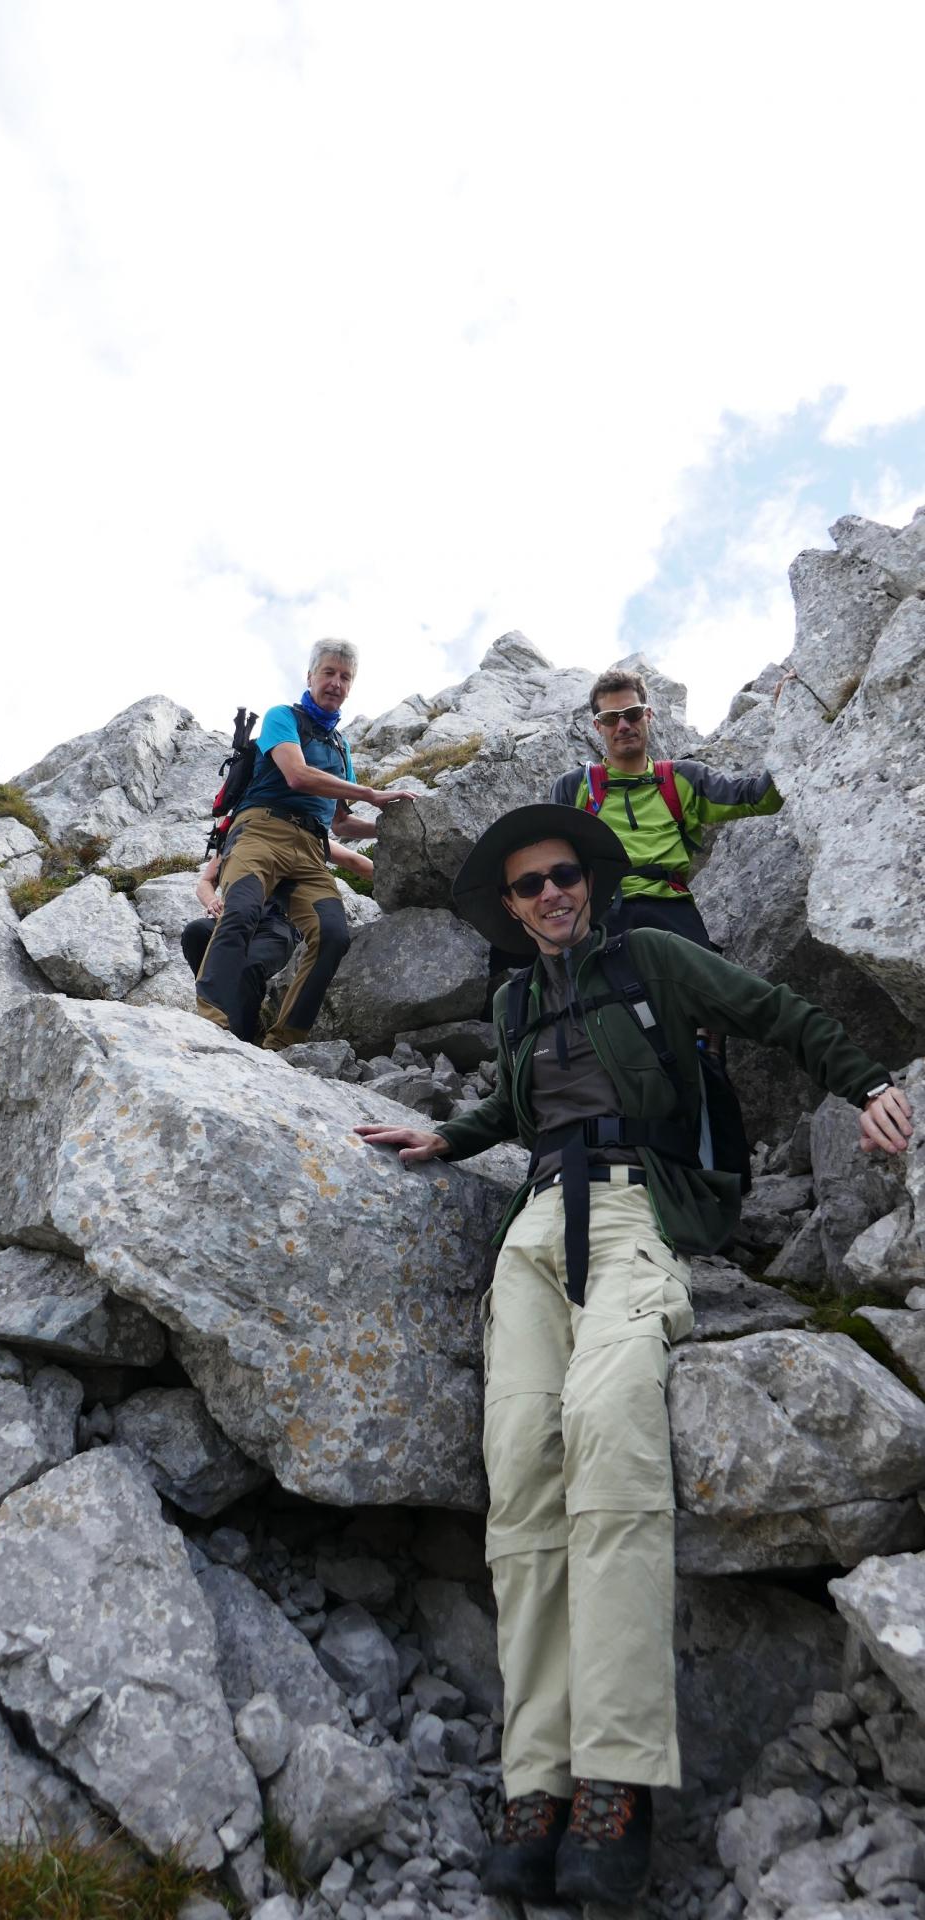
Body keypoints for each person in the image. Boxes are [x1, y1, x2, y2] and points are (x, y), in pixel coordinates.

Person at [356, 803, 911, 1909]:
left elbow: (777, 1010)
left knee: (608, 1438)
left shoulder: (652, 955)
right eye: (529, 886)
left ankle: (616, 1776)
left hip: (631, 1216)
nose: (552, 892)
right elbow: (515, 1106)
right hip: (530, 1237)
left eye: (564, 874)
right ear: (510, 909)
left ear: (590, 882)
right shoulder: (515, 998)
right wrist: (449, 1136)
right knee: (519, 1473)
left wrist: (869, 1084)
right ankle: (538, 1779)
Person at [195, 640, 410, 1050]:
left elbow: (341, 821)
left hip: (311, 850)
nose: (336, 683)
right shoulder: (282, 717)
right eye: (328, 673)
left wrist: (399, 828)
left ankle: (282, 1042)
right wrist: (370, 792)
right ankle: (212, 1024)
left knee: (333, 935)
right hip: (260, 831)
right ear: (310, 677)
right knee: (240, 910)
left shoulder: (340, 747)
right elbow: (296, 775)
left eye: (345, 677)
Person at [551, 667, 788, 947]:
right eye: (611, 718)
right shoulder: (574, 786)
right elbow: (554, 863)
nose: (624, 725)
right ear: (597, 726)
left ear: (648, 715)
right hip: (601, 916)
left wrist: (787, 717)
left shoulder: (683, 778)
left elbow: (761, 798)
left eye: (633, 713)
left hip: (672, 910)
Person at [181, 842, 374, 1044]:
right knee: (195, 932)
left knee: (250, 965)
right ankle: (221, 1004)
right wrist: (212, 900)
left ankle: (242, 1036)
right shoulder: (238, 833)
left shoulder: (302, 828)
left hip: (277, 921)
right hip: (237, 915)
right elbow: (206, 881)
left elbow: (355, 860)